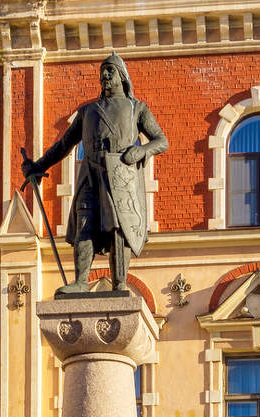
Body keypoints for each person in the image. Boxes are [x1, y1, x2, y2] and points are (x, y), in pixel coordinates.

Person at [22, 53, 168, 295]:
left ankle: (120, 284)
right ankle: (81, 281)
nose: (105, 75)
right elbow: (63, 145)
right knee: (85, 223)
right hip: (90, 171)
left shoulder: (137, 108)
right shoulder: (88, 111)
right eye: (103, 71)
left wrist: (141, 151)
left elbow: (161, 140)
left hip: (121, 173)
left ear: (122, 76)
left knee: (118, 228)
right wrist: (38, 166)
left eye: (110, 70)